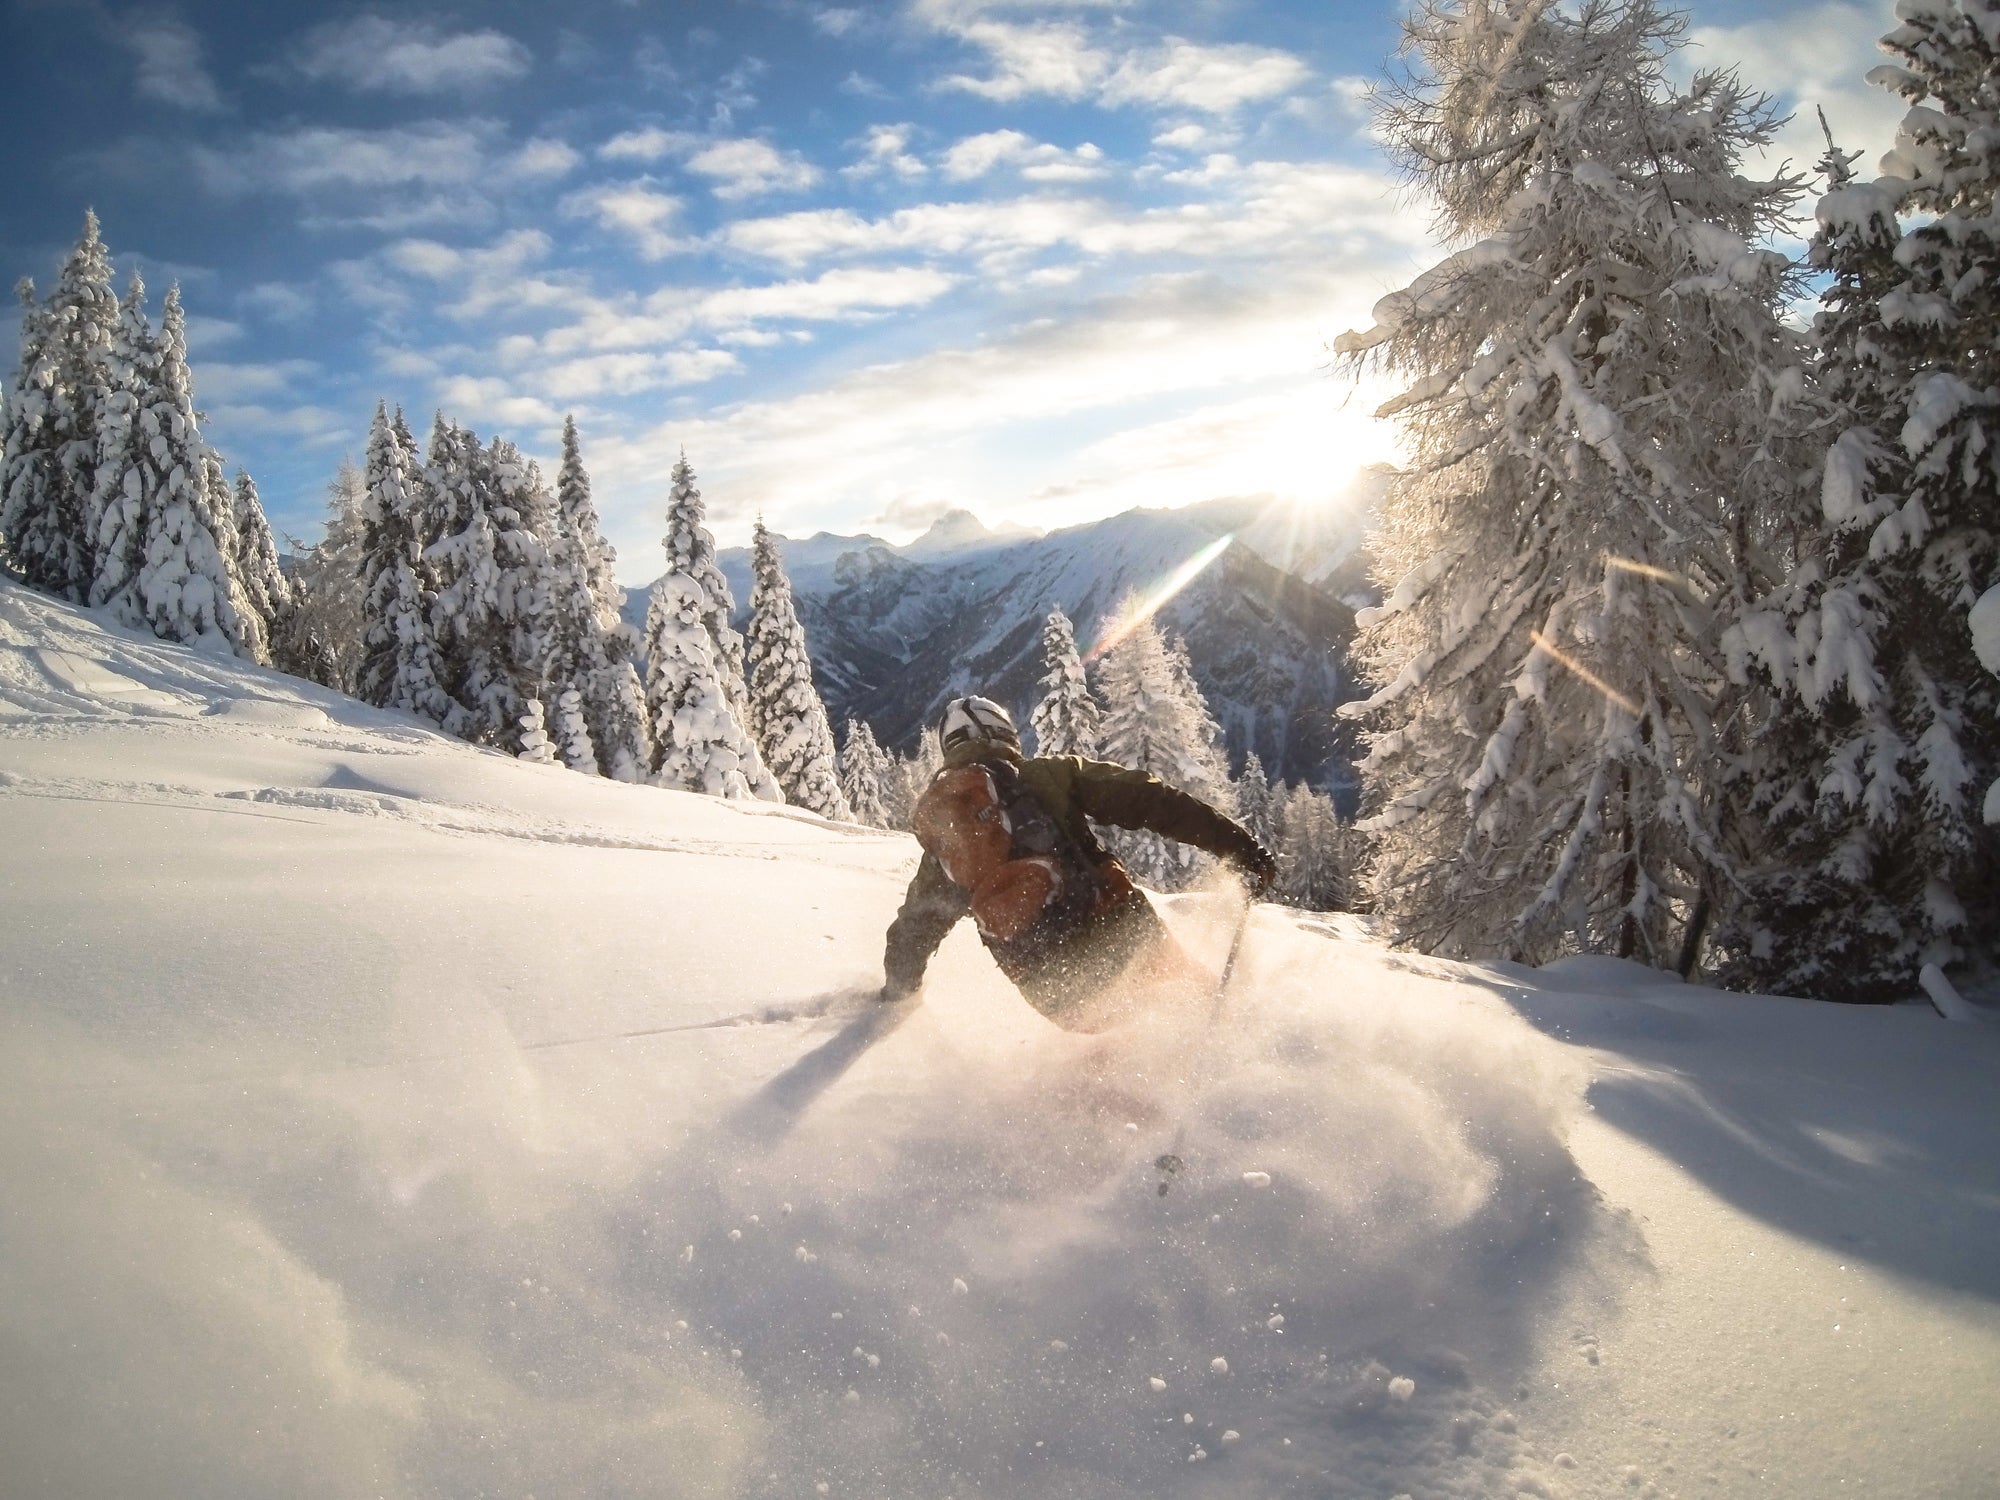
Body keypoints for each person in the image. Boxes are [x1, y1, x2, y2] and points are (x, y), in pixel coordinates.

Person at [880, 695, 1277, 1028]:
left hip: (1056, 998)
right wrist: (1238, 848)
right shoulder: (1049, 776)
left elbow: (912, 931)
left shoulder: (947, 846)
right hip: (1125, 943)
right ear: (1004, 735)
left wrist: (896, 994)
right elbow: (1151, 801)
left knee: (1118, 1027)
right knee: (1207, 1011)